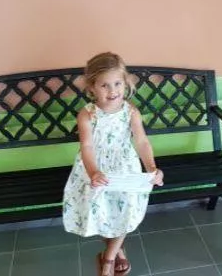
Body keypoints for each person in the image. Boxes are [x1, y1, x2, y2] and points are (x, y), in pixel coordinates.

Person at [62, 52, 164, 276]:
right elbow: (87, 147)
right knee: (102, 208)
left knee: (126, 207)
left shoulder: (130, 111)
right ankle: (117, 248)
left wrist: (151, 167)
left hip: (125, 168)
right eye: (104, 85)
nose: (113, 91)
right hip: (96, 168)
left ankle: (108, 256)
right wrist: (93, 171)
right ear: (92, 88)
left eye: (117, 83)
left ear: (126, 82)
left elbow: (141, 141)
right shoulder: (87, 115)